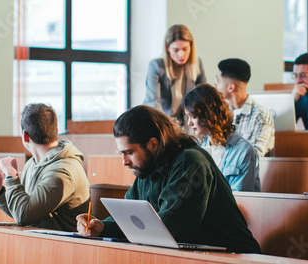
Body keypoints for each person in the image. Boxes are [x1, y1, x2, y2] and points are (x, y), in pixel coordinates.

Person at [75, 105, 261, 253]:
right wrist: (100, 227)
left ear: (153, 144)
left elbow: (171, 231)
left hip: (234, 258)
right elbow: (131, 221)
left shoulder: (191, 161)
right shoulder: (147, 167)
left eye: (129, 152)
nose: (124, 162)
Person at [0, 103, 90, 231]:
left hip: (63, 246)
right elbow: (22, 211)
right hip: (41, 242)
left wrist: (11, 174)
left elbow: (23, 215)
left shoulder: (61, 172)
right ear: (56, 132)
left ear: (25, 135)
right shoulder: (32, 163)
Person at [182, 83, 260, 192]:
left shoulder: (244, 151)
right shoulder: (199, 148)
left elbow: (240, 198)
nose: (189, 123)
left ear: (209, 115)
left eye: (193, 116)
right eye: (187, 116)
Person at [214, 58, 274, 157]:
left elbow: (256, 155)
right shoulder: (222, 112)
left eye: (218, 80)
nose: (215, 84)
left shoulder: (260, 114)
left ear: (230, 87)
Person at [144, 24, 206, 119]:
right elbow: (153, 102)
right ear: (167, 48)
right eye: (176, 50)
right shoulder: (156, 66)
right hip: (162, 120)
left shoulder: (197, 64)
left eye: (185, 49)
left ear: (191, 46)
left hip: (188, 121)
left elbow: (202, 97)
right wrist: (167, 126)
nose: (181, 55)